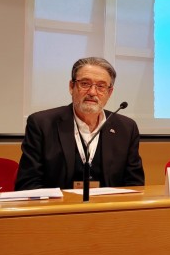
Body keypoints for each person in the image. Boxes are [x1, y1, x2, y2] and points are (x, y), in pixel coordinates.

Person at [15, 57, 144, 190]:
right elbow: (28, 184)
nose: (92, 92)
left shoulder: (126, 128)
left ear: (109, 92)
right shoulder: (42, 124)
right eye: (85, 84)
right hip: (59, 208)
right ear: (72, 87)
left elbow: (135, 184)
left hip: (109, 208)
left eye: (101, 86)